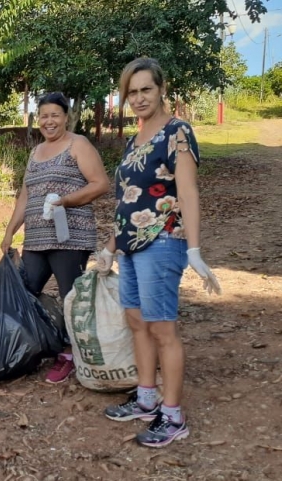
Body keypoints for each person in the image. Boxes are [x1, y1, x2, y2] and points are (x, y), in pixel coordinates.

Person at [97, 58, 222, 447]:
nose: (138, 98)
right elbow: (127, 202)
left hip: (164, 241)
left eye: (145, 89)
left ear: (161, 88)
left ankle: (172, 417)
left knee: (162, 328)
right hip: (131, 246)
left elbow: (187, 192)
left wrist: (196, 249)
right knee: (136, 321)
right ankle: (147, 397)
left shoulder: (176, 131)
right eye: (131, 92)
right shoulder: (136, 139)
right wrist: (110, 245)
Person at [2, 92, 111, 383]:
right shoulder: (35, 152)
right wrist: (10, 229)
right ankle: (33, 345)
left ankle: (70, 354)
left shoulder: (78, 145)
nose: (49, 121)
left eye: (55, 115)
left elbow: (100, 184)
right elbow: (25, 194)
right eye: (44, 116)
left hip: (70, 238)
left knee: (70, 299)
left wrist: (66, 200)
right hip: (36, 239)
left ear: (66, 117)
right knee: (26, 291)